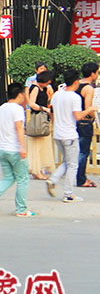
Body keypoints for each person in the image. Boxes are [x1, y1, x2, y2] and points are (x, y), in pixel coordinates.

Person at [0, 83, 34, 217]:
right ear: (20, 95)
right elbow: (19, 128)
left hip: (2, 148)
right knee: (23, 179)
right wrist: (23, 147)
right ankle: (21, 209)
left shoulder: (1, 109)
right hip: (14, 149)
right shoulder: (17, 110)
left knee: (9, 177)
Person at [48, 69, 97, 203]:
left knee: (67, 161)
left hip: (58, 133)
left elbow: (51, 112)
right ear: (76, 82)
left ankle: (52, 179)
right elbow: (77, 116)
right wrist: (90, 109)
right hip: (69, 134)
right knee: (73, 165)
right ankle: (68, 194)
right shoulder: (74, 97)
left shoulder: (57, 95)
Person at [25, 70, 54, 180]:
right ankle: (36, 170)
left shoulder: (44, 88)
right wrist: (44, 109)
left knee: (42, 145)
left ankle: (40, 169)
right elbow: (31, 103)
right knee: (36, 145)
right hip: (38, 116)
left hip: (43, 117)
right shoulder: (35, 88)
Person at [75, 62, 98, 188]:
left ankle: (79, 177)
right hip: (84, 121)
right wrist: (95, 118)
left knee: (77, 151)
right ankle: (81, 179)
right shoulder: (89, 88)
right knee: (83, 153)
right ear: (92, 73)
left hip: (74, 120)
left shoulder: (76, 84)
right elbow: (88, 107)